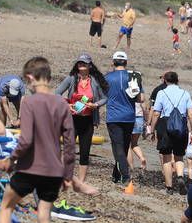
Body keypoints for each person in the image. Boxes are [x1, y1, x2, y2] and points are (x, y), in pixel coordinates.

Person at [0, 57, 77, 223]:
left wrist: (11, 159)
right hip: (53, 171)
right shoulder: (62, 104)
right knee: (45, 218)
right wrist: (67, 175)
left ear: (30, 78)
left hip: (30, 167)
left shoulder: (29, 102)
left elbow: (26, 139)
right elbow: (69, 143)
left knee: (6, 208)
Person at [54, 53, 107, 185]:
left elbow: (104, 98)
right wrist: (67, 105)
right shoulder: (72, 78)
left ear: (89, 65)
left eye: (83, 63)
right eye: (79, 63)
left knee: (85, 151)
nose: (81, 65)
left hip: (88, 119)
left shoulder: (94, 81)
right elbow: (57, 93)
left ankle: (81, 181)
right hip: (72, 119)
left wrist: (95, 105)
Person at [148, 71, 192, 194]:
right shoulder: (185, 93)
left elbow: (156, 112)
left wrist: (152, 130)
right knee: (179, 155)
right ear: (177, 80)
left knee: (166, 157)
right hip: (181, 126)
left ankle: (169, 187)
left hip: (165, 125)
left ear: (165, 80)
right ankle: (179, 176)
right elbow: (190, 113)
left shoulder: (161, 93)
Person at [104, 51, 139, 187]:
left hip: (114, 116)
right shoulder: (133, 77)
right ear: (126, 62)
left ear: (113, 62)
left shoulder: (107, 77)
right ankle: (116, 175)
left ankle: (125, 176)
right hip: (129, 116)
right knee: (124, 147)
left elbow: (102, 95)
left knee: (118, 147)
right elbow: (140, 98)